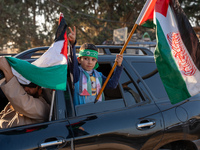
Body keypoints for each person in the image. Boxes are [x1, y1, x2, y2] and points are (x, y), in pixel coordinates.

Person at [68, 26, 123, 106]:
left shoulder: (99, 75)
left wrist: (119, 66)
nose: (90, 62)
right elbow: (72, 61)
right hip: (81, 113)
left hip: (97, 111)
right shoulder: (77, 73)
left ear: (96, 61)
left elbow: (112, 85)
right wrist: (72, 44)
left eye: (93, 59)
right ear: (79, 60)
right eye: (86, 58)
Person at [0, 57, 50, 129]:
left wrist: (6, 70)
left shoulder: (43, 107)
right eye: (24, 84)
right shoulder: (14, 102)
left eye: (31, 86)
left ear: (40, 90)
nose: (26, 88)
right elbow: (3, 114)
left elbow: (23, 103)